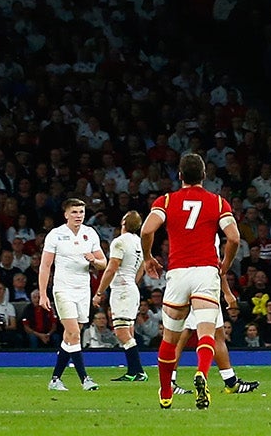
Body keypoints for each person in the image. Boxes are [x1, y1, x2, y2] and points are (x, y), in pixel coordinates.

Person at [140, 153, 242, 410]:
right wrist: (226, 264)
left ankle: (165, 391)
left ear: (180, 176)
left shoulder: (166, 201)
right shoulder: (217, 203)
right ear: (204, 176)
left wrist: (149, 257)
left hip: (178, 274)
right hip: (206, 272)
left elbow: (146, 230)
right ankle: (201, 373)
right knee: (206, 333)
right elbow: (234, 237)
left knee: (170, 339)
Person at [39, 197, 106, 391]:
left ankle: (55, 379)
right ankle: (85, 379)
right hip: (63, 289)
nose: (78, 216)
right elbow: (45, 265)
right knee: (74, 333)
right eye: (74, 212)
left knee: (71, 335)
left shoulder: (90, 233)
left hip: (83, 289)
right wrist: (43, 294)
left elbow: (104, 263)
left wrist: (94, 259)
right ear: (66, 214)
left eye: (81, 212)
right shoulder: (56, 235)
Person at [95, 209, 148, 382]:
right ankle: (133, 372)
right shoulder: (140, 242)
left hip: (122, 290)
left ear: (123, 223)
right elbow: (142, 267)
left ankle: (138, 371)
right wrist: (133, 281)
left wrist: (99, 292)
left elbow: (112, 267)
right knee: (129, 330)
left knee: (121, 332)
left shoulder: (119, 242)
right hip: (131, 287)